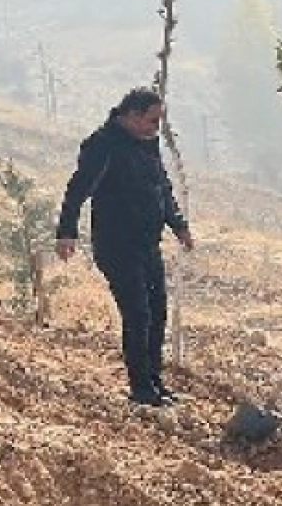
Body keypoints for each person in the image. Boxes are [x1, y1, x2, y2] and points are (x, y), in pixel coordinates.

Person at [55, 87, 194, 407]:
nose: (155, 128)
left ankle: (154, 382)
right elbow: (78, 189)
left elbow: (162, 187)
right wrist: (66, 232)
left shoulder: (147, 144)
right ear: (131, 115)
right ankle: (140, 388)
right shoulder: (103, 145)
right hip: (117, 244)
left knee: (157, 311)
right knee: (138, 313)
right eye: (151, 120)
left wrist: (179, 225)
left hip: (147, 244)